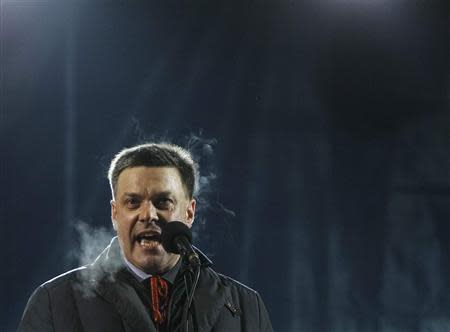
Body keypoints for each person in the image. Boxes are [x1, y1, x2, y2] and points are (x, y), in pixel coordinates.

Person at [18, 143, 273, 332]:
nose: (148, 214)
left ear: (190, 211)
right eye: (132, 202)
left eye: (163, 201)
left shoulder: (246, 307)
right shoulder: (54, 302)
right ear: (115, 213)